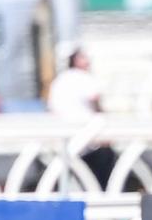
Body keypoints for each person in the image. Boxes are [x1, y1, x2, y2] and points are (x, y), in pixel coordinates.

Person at [47, 47, 115, 189]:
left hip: (66, 139)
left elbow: (52, 108)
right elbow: (96, 101)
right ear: (76, 60)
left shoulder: (60, 80)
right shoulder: (85, 78)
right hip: (89, 138)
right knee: (101, 173)